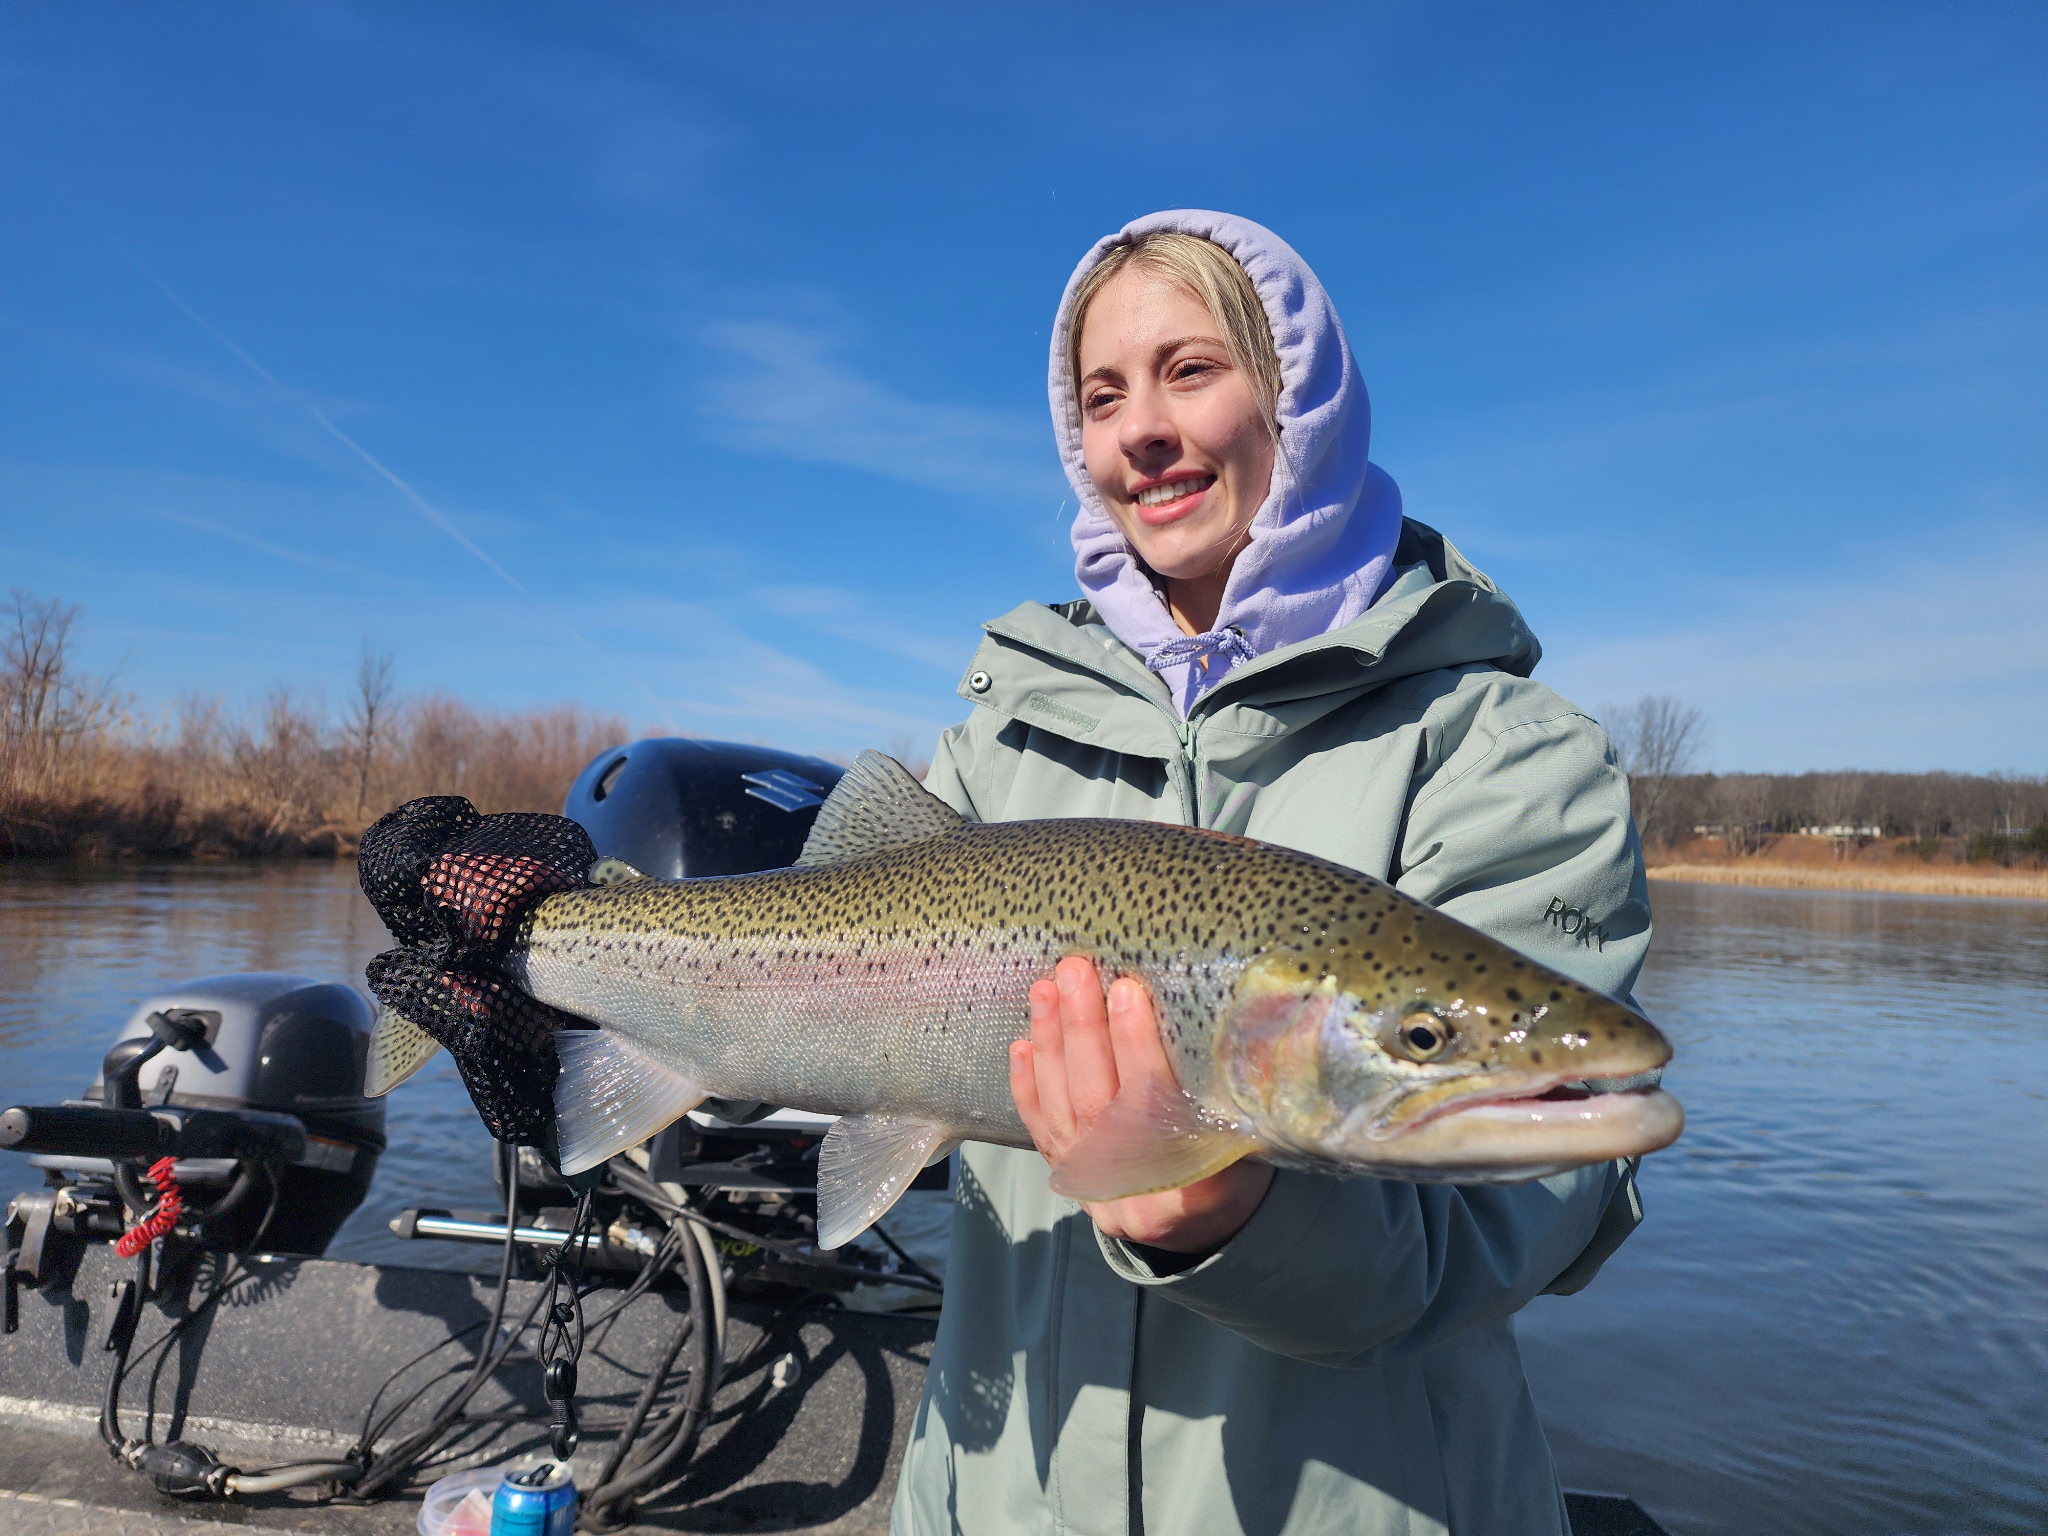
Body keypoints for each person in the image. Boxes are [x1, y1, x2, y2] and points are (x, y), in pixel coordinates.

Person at [890, 210, 1655, 1536]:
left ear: (1298, 397)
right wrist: (549, 956)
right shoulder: (995, 738)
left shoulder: (1501, 751)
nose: (1140, 429)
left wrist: (1228, 1215)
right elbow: (825, 1023)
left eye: (1192, 371)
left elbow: (1528, 1217)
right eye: (1102, 394)